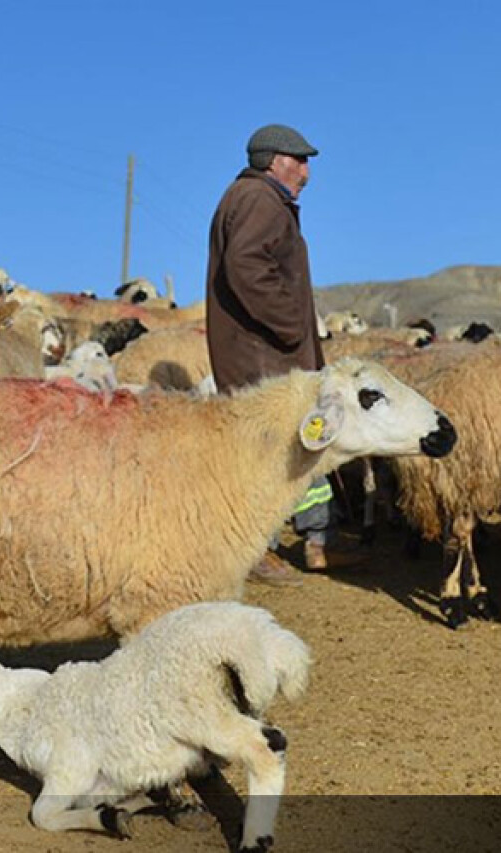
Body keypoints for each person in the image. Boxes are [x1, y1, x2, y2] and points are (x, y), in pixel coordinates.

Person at [205, 123, 340, 587]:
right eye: (299, 160)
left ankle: (309, 540)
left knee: (288, 450)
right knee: (272, 454)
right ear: (272, 160)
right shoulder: (259, 200)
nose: (306, 170)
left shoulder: (254, 199)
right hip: (264, 357)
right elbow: (246, 265)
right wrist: (289, 325)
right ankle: (259, 550)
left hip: (261, 352)